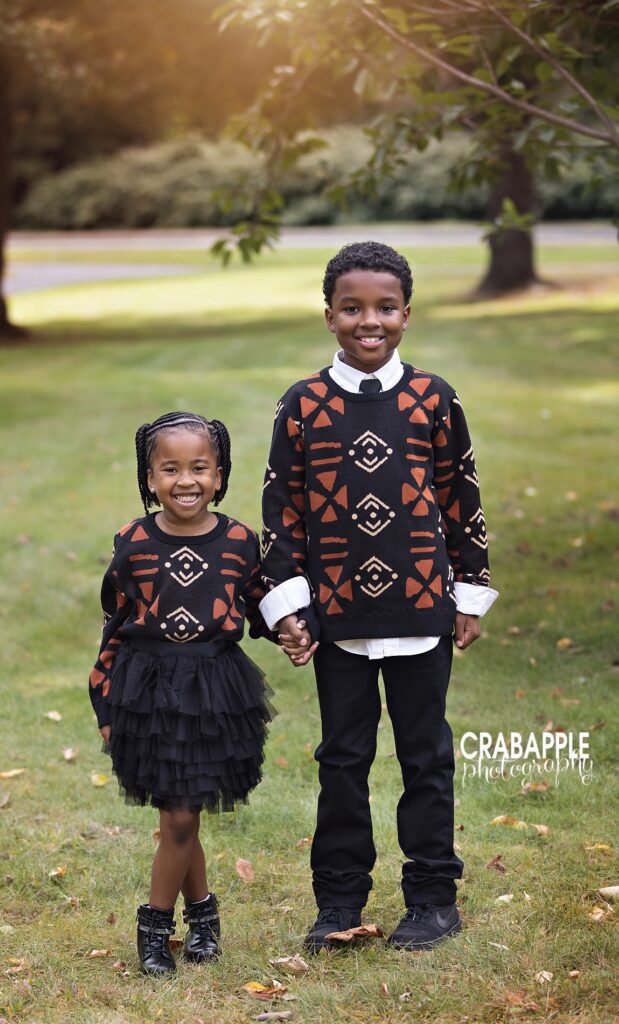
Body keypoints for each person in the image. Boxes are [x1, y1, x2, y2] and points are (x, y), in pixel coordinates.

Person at [260, 241, 498, 952]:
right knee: (343, 758)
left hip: (421, 605)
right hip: (336, 615)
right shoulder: (302, 405)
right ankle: (337, 903)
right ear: (328, 315)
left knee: (425, 756)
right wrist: (288, 606)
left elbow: (462, 496)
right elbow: (282, 510)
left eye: (385, 308)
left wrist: (469, 592)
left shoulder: (434, 398)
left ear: (406, 314)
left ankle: (431, 900)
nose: (371, 321)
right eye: (353, 307)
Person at [89, 411, 272, 976]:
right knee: (180, 816)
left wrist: (293, 629)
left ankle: (186, 922)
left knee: (181, 814)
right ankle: (172, 926)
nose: (185, 480)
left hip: (216, 691)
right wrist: (103, 700)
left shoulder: (242, 541)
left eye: (199, 467)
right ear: (149, 478)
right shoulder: (134, 542)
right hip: (148, 690)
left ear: (219, 474)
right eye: (169, 469)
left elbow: (259, 602)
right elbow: (113, 625)